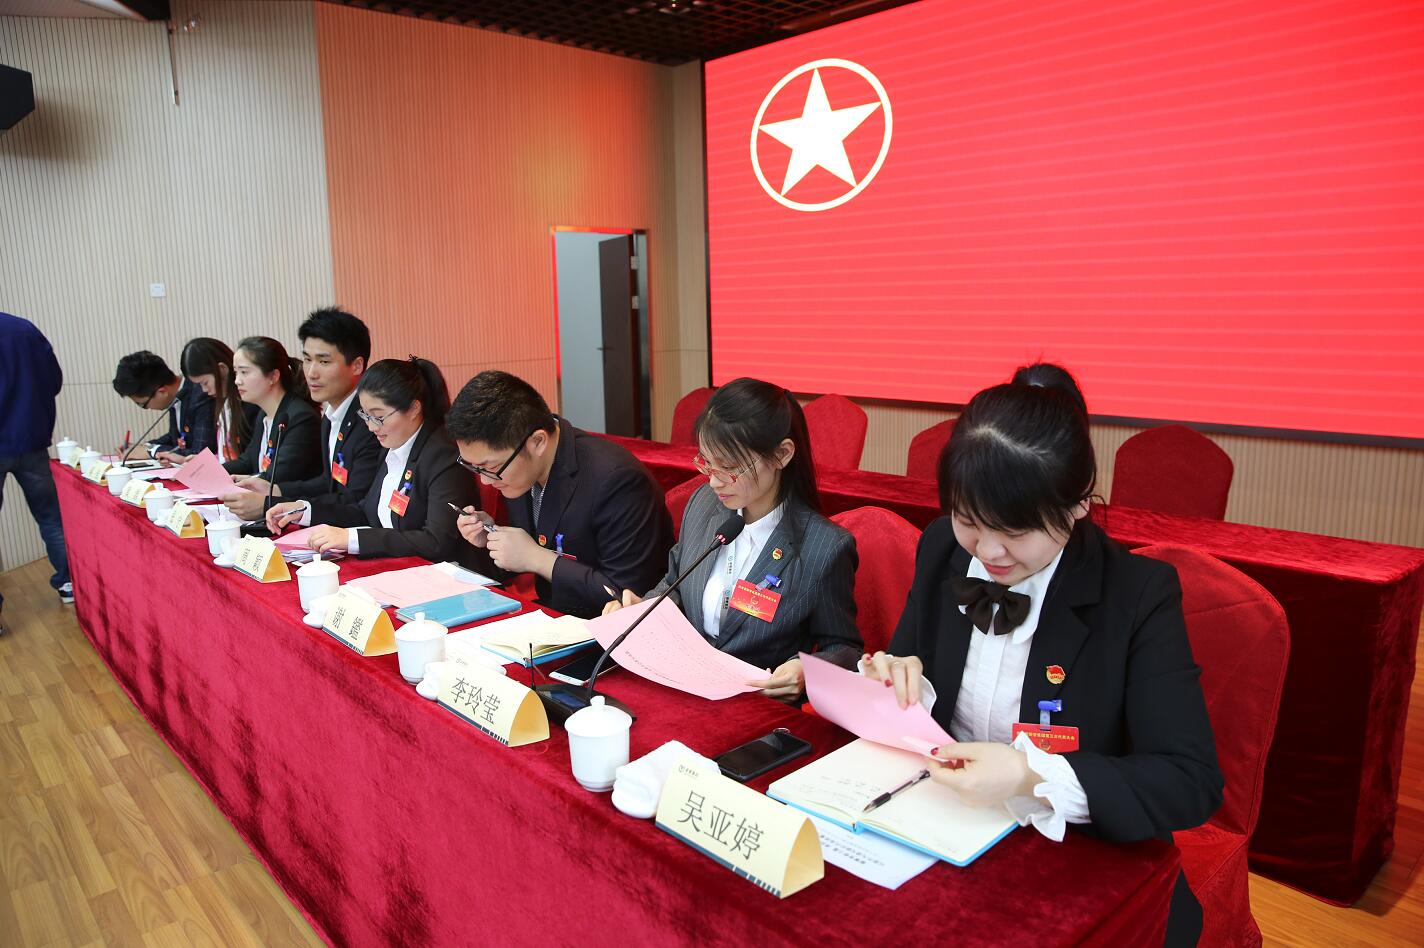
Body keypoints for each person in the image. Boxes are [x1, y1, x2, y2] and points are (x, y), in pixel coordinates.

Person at [864, 369, 1221, 946]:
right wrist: (896, 681)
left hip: (1078, 855)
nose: (989, 551)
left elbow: (1189, 781)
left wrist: (1029, 775)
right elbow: (912, 667)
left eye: (1017, 529)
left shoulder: (1138, 596)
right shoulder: (941, 548)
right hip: (944, 829)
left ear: (1078, 503)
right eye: (969, 520)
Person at [603, 378, 861, 702]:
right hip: (684, 689)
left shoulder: (823, 548)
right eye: (706, 463)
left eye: (728, 467)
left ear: (781, 455)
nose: (714, 482)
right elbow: (675, 585)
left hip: (757, 708)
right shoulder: (703, 505)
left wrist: (804, 671)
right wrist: (643, 610)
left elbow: (845, 649)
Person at [446, 370, 672, 619]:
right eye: (474, 468)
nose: (486, 481)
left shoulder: (617, 480)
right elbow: (517, 560)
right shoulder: (519, 470)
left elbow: (628, 597)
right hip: (552, 618)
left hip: (607, 630)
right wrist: (490, 538)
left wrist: (538, 559)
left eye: (490, 467)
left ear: (538, 442)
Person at [264, 358, 475, 563]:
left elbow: (436, 542)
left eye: (378, 416)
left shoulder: (443, 456)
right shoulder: (392, 446)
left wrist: (352, 539)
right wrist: (304, 511)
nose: (371, 427)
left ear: (413, 409)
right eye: (365, 416)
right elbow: (366, 512)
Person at [223, 308, 381, 522]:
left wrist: (273, 504)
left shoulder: (370, 422)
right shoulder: (332, 417)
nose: (311, 373)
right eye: (307, 359)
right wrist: (275, 489)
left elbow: (355, 501)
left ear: (356, 366)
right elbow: (327, 482)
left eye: (324, 362)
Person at [0, 312, 71, 620]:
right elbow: (53, 381)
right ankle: (68, 583)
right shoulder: (23, 329)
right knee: (51, 518)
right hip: (32, 439)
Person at [220, 337, 321, 487]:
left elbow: (277, 476)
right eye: (236, 373)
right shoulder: (264, 413)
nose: (237, 381)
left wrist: (244, 480)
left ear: (273, 376)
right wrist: (210, 471)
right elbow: (247, 461)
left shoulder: (301, 418)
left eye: (244, 372)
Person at [111, 351, 213, 463]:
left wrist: (150, 451)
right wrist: (143, 447)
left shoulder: (201, 393)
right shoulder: (176, 394)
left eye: (142, 404)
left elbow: (200, 454)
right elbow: (175, 437)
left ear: (162, 392)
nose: (147, 408)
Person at [180, 338, 259, 463]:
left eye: (205, 383)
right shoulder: (225, 405)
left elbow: (249, 461)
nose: (204, 390)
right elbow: (226, 455)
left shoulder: (250, 405)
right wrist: (210, 461)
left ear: (222, 369)